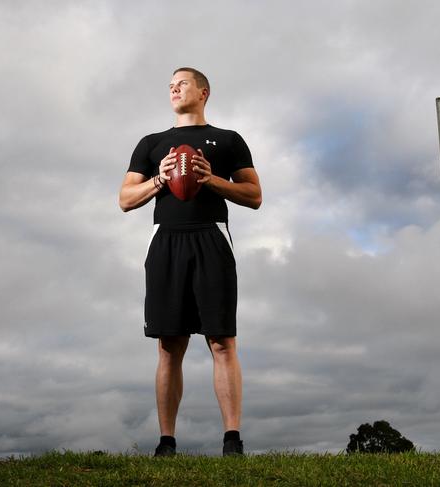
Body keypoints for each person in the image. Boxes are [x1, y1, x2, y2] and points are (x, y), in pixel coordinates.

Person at [119, 67, 262, 457]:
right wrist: (159, 180)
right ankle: (167, 441)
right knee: (169, 344)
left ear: (203, 92)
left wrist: (212, 179)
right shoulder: (152, 143)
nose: (173, 89)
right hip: (165, 239)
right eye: (169, 85)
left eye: (181, 83)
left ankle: (232, 439)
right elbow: (125, 199)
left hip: (211, 236)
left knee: (222, 341)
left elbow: (254, 195)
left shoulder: (229, 140)